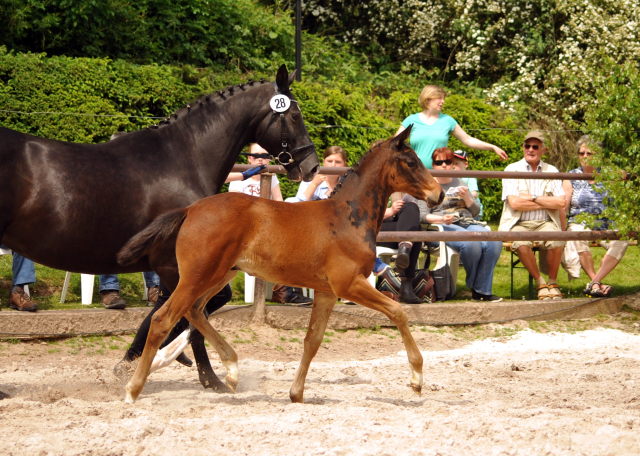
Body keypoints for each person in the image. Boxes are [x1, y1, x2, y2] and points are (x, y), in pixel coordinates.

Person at [230, 143, 312, 305]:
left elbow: (279, 202)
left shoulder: (272, 176)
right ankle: (284, 291)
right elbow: (235, 209)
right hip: (246, 227)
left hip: (268, 225)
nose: (260, 160)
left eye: (265, 156)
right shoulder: (239, 179)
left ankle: (287, 291)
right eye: (256, 156)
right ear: (248, 158)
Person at [418, 147, 503, 302]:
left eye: (447, 162)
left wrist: (467, 198)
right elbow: (421, 216)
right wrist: (442, 220)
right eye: (439, 162)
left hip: (467, 222)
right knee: (471, 244)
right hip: (440, 227)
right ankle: (477, 287)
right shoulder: (427, 185)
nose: (443, 165)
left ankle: (481, 289)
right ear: (433, 165)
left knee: (495, 242)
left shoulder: (460, 181)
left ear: (453, 164)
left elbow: (476, 212)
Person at [499, 131, 566, 300]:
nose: (530, 149)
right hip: (517, 222)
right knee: (520, 242)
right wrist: (545, 201)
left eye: (535, 146)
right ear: (523, 148)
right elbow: (515, 203)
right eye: (527, 146)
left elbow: (561, 202)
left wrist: (533, 198)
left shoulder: (552, 170)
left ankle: (553, 282)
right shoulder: (511, 169)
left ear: (544, 150)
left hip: (545, 222)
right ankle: (540, 282)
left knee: (557, 238)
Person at [562, 135, 628, 297]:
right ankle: (596, 282)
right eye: (581, 153)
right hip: (580, 222)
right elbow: (564, 206)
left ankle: (594, 282)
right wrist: (562, 229)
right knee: (577, 235)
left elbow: (624, 175)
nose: (584, 156)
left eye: (589, 153)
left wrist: (623, 173)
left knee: (623, 240)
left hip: (606, 224)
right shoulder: (571, 177)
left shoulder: (607, 175)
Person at [395, 84, 508, 169]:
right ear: (428, 99)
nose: (443, 101)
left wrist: (493, 147)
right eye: (439, 98)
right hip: (416, 174)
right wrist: (408, 156)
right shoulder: (411, 120)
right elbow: (395, 144)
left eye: (443, 98)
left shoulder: (447, 120)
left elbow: (468, 140)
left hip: (440, 176)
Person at [452, 150, 484, 221]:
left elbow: (474, 194)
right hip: (459, 210)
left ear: (466, 164)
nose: (453, 166)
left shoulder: (469, 177)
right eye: (452, 163)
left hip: (472, 212)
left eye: (456, 164)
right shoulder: (451, 178)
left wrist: (462, 195)